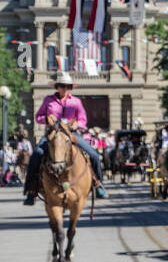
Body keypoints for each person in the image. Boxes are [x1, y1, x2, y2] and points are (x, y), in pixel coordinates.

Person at [23, 72, 107, 204]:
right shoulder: (48, 100)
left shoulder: (76, 102)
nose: (65, 89)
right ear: (57, 86)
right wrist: (46, 118)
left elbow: (83, 120)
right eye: (62, 86)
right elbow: (38, 117)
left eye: (68, 86)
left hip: (71, 134)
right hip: (52, 134)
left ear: (71, 88)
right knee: (36, 154)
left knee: (93, 155)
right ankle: (31, 189)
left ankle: (98, 184)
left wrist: (76, 124)